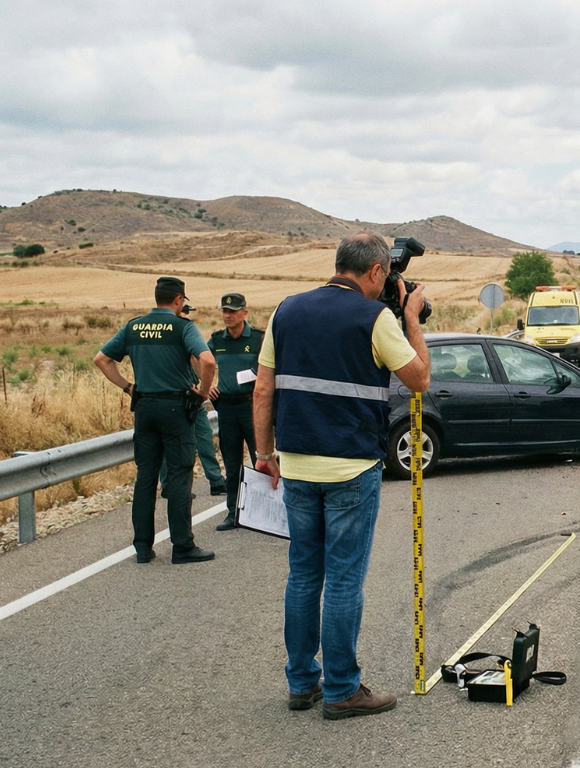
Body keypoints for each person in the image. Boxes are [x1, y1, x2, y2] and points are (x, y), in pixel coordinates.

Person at [253, 232, 430, 720]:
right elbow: (418, 379)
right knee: (345, 580)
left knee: (304, 575)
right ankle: (342, 690)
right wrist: (409, 317)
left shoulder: (285, 311)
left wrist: (264, 453)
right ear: (376, 271)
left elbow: (263, 387)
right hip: (352, 466)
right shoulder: (373, 317)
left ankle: (301, 683)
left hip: (297, 465)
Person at [92, 277, 217, 564]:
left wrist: (128, 387)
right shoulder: (182, 326)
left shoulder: (134, 326)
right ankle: (182, 546)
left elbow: (102, 359)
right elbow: (208, 361)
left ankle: (143, 548)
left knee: (146, 477)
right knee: (179, 476)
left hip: (145, 408)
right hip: (175, 408)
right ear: (178, 300)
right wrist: (200, 392)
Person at [209, 293, 265, 531]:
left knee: (260, 460)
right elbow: (200, 361)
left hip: (251, 407)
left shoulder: (257, 338)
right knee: (232, 464)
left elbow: (266, 366)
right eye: (225, 311)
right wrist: (205, 387)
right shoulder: (216, 340)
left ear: (244, 313)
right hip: (227, 407)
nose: (228, 316)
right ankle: (234, 511)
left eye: (232, 311)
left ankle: (265, 512)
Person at [161, 303, 226, 497]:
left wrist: (204, 388)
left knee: (204, 438)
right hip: (174, 398)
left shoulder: (185, 332)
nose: (186, 316)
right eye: (183, 312)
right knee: (171, 444)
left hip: (192, 398)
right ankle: (169, 485)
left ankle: (215, 481)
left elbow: (196, 360)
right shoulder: (171, 335)